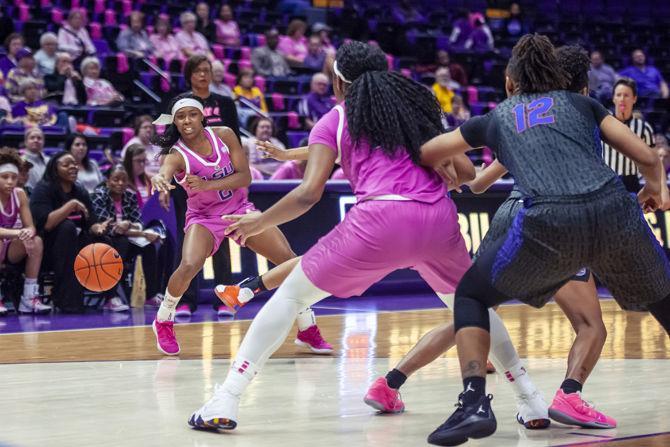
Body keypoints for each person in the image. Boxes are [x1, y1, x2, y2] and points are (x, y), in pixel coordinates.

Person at [187, 41, 546, 433]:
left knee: (291, 295)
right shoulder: (416, 108)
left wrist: (259, 221)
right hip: (438, 220)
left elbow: (309, 194)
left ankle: (227, 397)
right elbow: (465, 175)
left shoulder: (336, 119)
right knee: (473, 306)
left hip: (380, 220)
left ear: (340, 82)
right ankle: (530, 400)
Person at [419, 34, 670, 446]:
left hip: (550, 221)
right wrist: (655, 190)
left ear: (509, 81)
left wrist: (446, 166)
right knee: (662, 297)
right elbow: (646, 156)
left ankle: (473, 403)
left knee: (471, 295)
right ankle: (568, 394)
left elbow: (431, 152)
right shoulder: (582, 104)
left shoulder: (499, 117)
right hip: (614, 212)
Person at [368, 44, 616, 431]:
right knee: (591, 325)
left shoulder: (524, 119)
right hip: (554, 221)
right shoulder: (584, 117)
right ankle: (570, 393)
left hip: (508, 216)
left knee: (473, 312)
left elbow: (480, 183)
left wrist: (448, 176)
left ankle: (390, 383)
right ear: (584, 91)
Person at [149, 96, 331, 355]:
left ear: (202, 116)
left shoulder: (224, 135)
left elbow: (244, 176)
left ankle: (307, 329)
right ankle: (164, 319)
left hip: (239, 211)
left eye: (191, 114)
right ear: (175, 122)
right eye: (180, 117)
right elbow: (166, 170)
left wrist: (207, 185)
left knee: (288, 260)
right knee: (189, 265)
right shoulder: (177, 155)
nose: (186, 121)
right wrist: (160, 177)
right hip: (204, 217)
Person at [170, 56, 241, 317]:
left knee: (223, 238)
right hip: (187, 181)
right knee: (188, 238)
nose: (203, 75)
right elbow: (169, 142)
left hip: (219, 180)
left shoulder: (224, 103)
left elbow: (235, 144)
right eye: (198, 71)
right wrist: (167, 180)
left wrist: (235, 180)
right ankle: (185, 299)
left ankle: (224, 298)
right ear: (189, 75)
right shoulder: (178, 102)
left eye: (207, 70)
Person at [30, 152, 127, 313]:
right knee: (66, 227)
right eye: (66, 164)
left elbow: (91, 222)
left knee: (104, 242)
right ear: (55, 169)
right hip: (47, 249)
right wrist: (71, 205)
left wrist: (98, 228)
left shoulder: (79, 190)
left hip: (73, 247)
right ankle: (65, 299)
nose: (73, 167)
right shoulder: (43, 189)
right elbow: (46, 224)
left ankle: (110, 297)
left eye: (74, 164)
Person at [91, 164, 164, 306]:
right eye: (116, 179)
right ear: (107, 181)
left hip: (126, 239)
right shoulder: (98, 195)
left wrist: (128, 225)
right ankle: (110, 298)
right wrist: (141, 233)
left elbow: (138, 222)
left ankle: (150, 296)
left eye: (124, 180)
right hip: (104, 241)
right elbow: (109, 228)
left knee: (149, 247)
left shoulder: (130, 196)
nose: (120, 183)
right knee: (121, 242)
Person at [0, 147, 51, 315]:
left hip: (10, 247)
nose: (10, 182)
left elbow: (30, 226)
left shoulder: (20, 194)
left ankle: (29, 298)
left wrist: (27, 233)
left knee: (36, 241)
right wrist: (17, 233)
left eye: (14, 177)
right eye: (4, 177)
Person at [602, 78, 656, 192]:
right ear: (613, 98)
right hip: (606, 181)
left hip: (631, 182)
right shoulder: (602, 124)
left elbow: (653, 162)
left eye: (626, 95)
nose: (622, 99)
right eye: (619, 95)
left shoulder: (643, 128)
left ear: (634, 99)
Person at [123, 144, 152, 209]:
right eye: (138, 161)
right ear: (129, 161)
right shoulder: (122, 181)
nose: (142, 164)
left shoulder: (149, 179)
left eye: (144, 160)